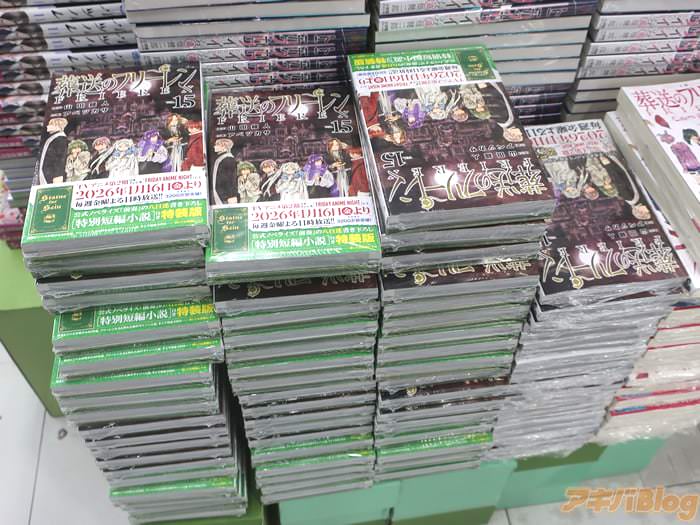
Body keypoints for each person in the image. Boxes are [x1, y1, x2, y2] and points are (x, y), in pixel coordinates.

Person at [38, 117, 68, 185]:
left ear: (58, 126)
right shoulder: (53, 137)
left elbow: (61, 159)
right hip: (46, 173)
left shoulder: (61, 139)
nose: (48, 126)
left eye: (51, 124)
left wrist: (58, 175)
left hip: (52, 176)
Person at [211, 138, 237, 204]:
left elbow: (231, 179)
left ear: (224, 147)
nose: (214, 146)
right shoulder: (220, 158)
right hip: (220, 194)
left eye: (217, 145)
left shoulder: (228, 159)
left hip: (225, 196)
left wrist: (231, 195)